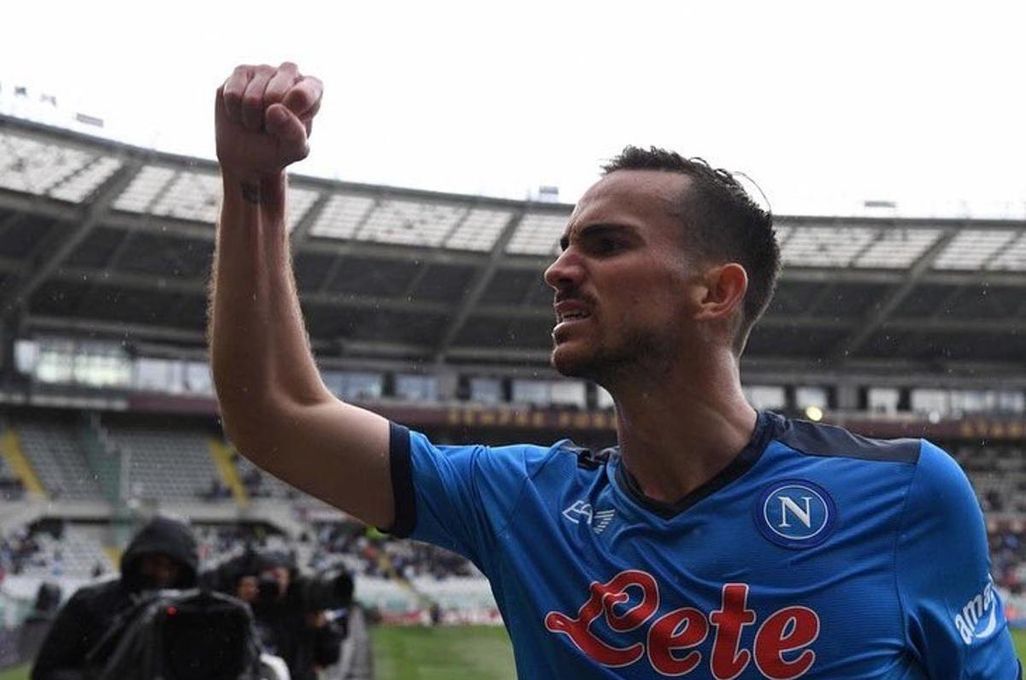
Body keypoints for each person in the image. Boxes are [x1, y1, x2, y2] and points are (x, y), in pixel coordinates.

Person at [208, 63, 1021, 678]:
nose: (558, 270)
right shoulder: (521, 502)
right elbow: (276, 415)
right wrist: (254, 187)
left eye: (605, 245)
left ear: (715, 291)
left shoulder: (907, 493)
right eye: (564, 246)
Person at [31, 516, 198, 680]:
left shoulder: (190, 616)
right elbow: (46, 672)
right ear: (139, 558)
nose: (162, 573)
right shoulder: (90, 602)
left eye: (171, 568)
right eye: (155, 563)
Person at [206, 548, 346, 680]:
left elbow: (330, 657)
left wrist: (322, 628)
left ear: (289, 577)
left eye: (277, 576)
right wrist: (237, 602)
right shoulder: (241, 607)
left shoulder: (302, 606)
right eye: (266, 575)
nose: (271, 581)